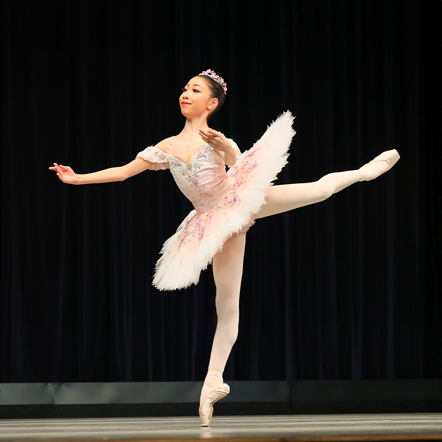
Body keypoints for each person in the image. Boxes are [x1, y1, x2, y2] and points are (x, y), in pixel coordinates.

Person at [50, 69, 400, 426]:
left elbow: (238, 162)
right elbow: (124, 171)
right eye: (185, 88)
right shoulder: (165, 147)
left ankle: (365, 172)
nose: (186, 94)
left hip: (236, 200)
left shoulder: (215, 139)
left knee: (319, 190)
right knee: (227, 306)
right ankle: (212, 383)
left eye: (195, 90)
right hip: (210, 221)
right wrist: (78, 178)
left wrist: (226, 147)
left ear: (212, 103)